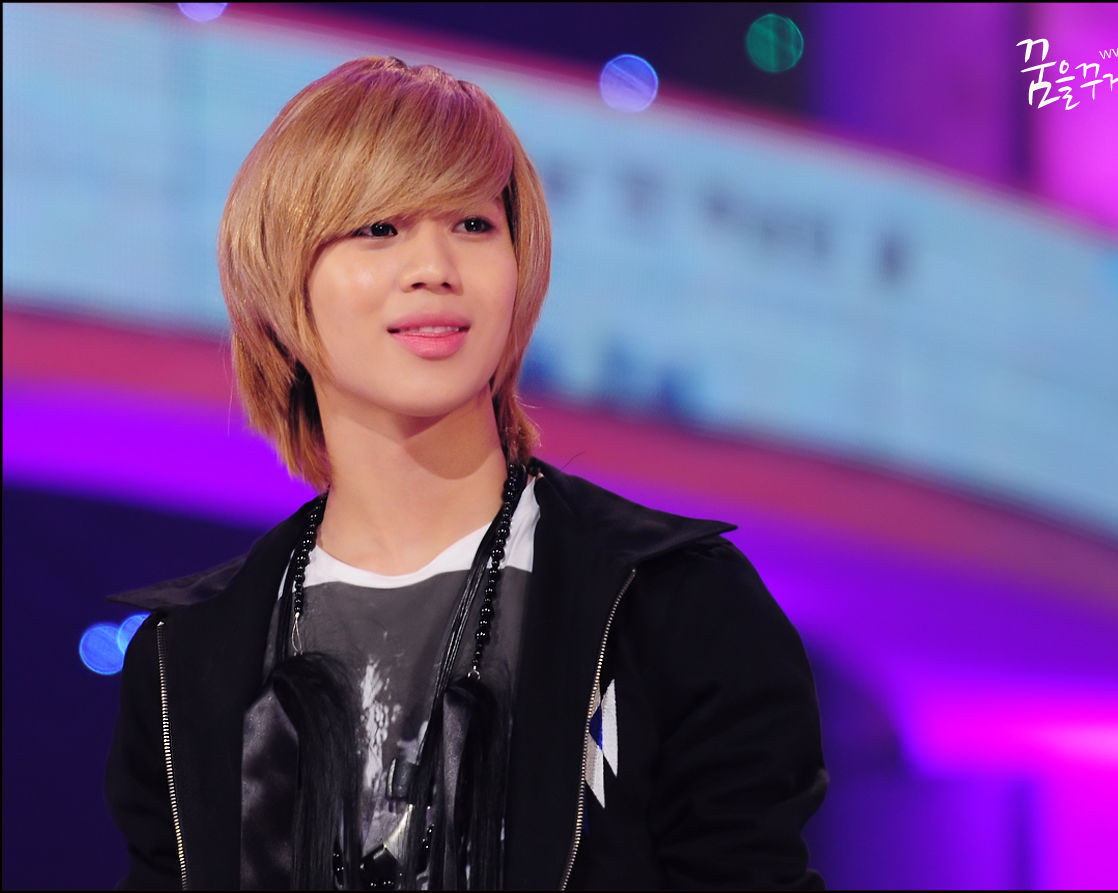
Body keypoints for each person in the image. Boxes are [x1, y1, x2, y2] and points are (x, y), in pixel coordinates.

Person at [105, 56, 826, 891]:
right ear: (281, 277)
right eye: (380, 227)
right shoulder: (186, 658)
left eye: (474, 224)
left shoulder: (674, 605)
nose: (435, 267)